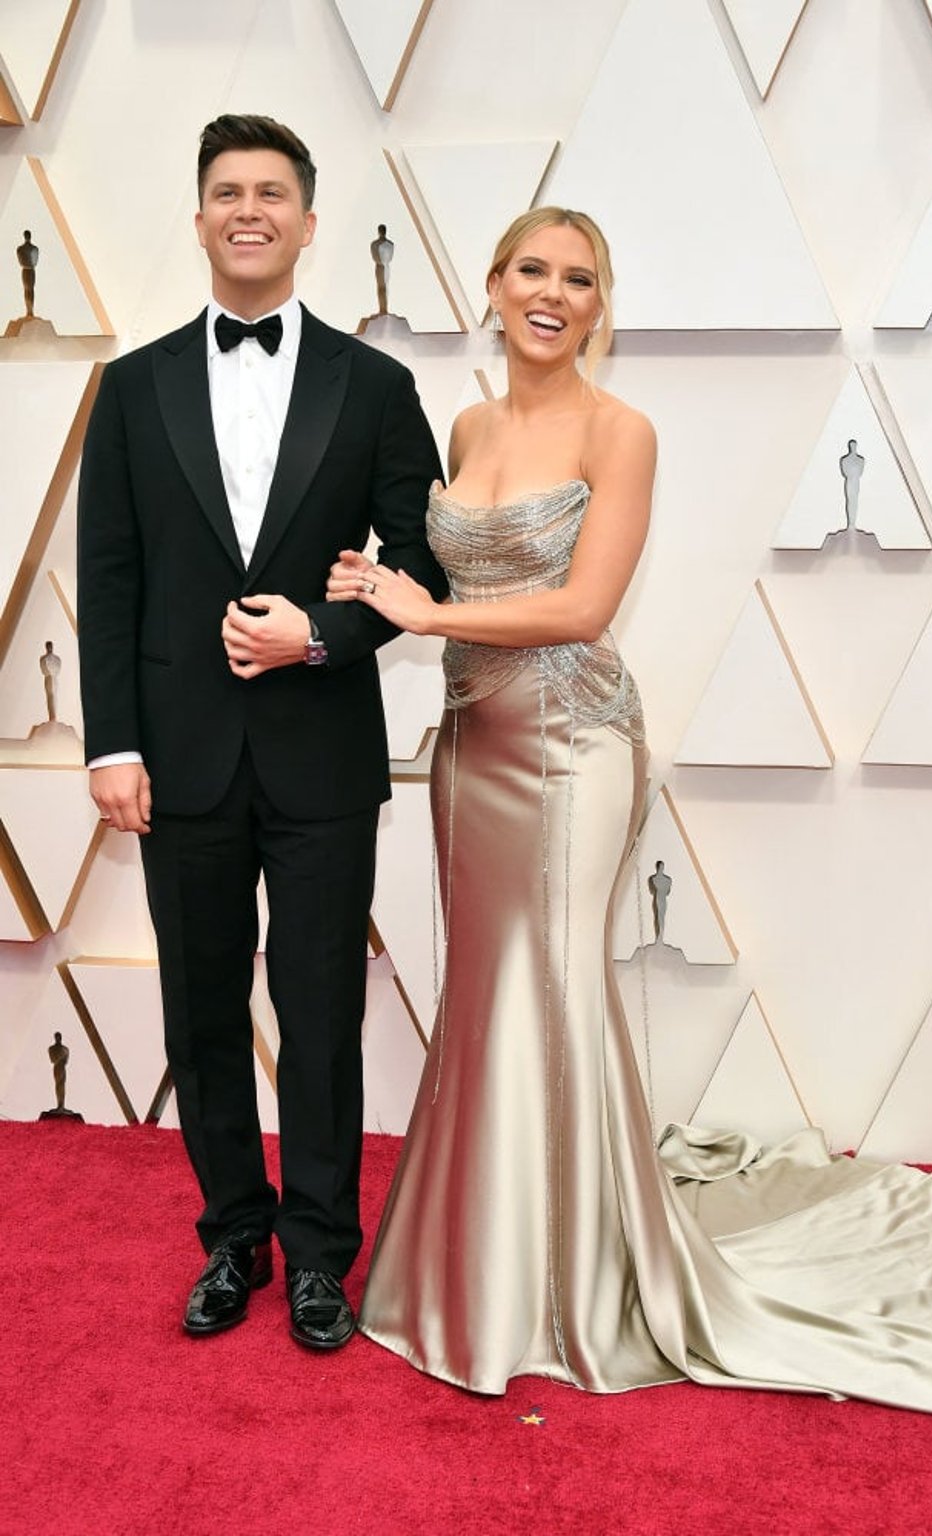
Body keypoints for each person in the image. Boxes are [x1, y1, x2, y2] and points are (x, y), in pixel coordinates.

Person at [325, 205, 932, 1425]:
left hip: (571, 746)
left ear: (600, 306)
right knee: (488, 994)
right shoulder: (471, 424)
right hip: (469, 750)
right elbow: (443, 572)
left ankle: (573, 1286)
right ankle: (475, 1267)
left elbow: (583, 609)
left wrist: (424, 615)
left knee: (551, 982)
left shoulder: (621, 430)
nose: (552, 293)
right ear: (491, 286)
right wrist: (367, 599)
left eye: (579, 279)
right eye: (532, 270)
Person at [77, 114, 446, 1352]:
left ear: (305, 218)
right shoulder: (130, 390)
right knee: (200, 1009)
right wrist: (109, 743)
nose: (250, 209)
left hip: (323, 751)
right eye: (227, 191)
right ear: (199, 219)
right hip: (176, 755)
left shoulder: (378, 386)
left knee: (320, 1004)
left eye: (272, 192)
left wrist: (325, 637)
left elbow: (418, 561)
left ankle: (320, 1256)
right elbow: (112, 574)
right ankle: (233, 1235)